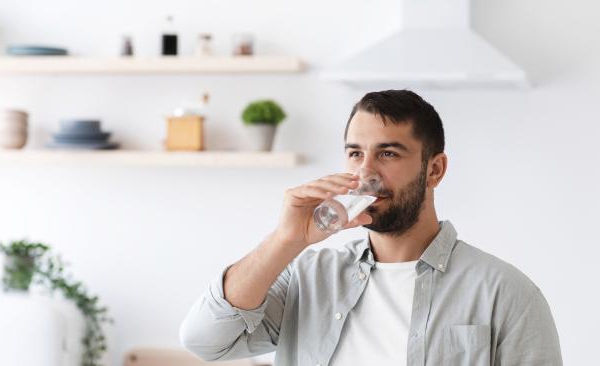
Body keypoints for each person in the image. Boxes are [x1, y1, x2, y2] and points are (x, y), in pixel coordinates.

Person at [179, 90, 563, 366]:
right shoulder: (308, 277)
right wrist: (286, 240)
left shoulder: (506, 293)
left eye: (388, 153)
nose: (366, 173)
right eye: (355, 153)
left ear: (435, 169)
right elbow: (205, 341)